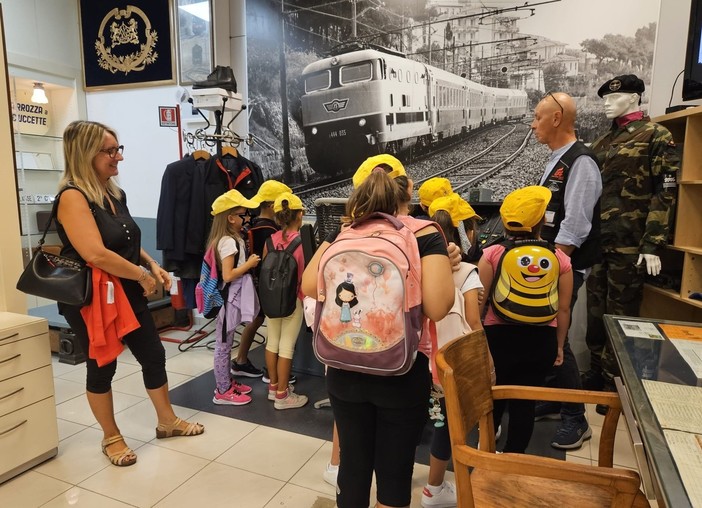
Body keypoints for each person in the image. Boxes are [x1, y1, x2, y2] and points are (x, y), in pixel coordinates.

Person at [302, 154, 454, 508]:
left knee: (353, 466)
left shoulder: (345, 230)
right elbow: (437, 306)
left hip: (342, 365)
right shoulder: (425, 232)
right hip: (400, 370)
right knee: (394, 471)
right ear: (409, 188)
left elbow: (310, 284)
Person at [55, 120, 204, 467]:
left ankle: (167, 420)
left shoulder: (113, 193)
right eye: (109, 151)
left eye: (117, 149)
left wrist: (152, 265)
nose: (117, 157)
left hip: (125, 290)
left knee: (153, 355)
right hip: (92, 298)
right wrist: (140, 275)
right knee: (101, 365)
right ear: (85, 154)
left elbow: (125, 241)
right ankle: (111, 437)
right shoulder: (72, 197)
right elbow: (96, 253)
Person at [585, 75, 678, 394]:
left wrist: (652, 243)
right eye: (605, 99)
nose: (607, 103)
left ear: (635, 98)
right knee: (595, 313)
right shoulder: (601, 143)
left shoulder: (656, 136)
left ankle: (615, 382)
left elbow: (665, 193)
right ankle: (596, 372)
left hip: (631, 243)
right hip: (600, 242)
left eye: (615, 97)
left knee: (621, 313)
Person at [530, 91, 602, 450]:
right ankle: (557, 399)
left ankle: (576, 418)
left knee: (557, 337)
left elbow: (575, 225)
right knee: (547, 336)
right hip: (555, 263)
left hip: (565, 265)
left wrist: (550, 267)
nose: (533, 125)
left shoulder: (581, 162)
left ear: (556, 119)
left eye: (538, 118)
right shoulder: (558, 160)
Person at [478, 186, 573, 454]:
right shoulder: (560, 258)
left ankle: (485, 457)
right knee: (524, 405)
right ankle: (513, 458)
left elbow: (479, 303)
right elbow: (563, 309)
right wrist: (558, 344)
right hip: (540, 340)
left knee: (492, 402)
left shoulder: (492, 254)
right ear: (542, 221)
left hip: (497, 339)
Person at [421, 193, 485, 508]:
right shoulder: (466, 272)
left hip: (418, 359)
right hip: (448, 365)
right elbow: (473, 323)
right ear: (463, 232)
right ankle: (434, 488)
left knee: (419, 419)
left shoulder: (419, 267)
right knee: (444, 425)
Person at [231, 180, 293, 380]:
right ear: (270, 205)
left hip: (256, 281)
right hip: (269, 285)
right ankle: (272, 371)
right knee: (275, 326)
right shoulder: (272, 232)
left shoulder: (253, 225)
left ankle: (240, 360)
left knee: (256, 320)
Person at [208, 189, 261, 405]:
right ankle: (222, 390)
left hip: (233, 296)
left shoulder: (232, 238)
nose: (246, 217)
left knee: (227, 341)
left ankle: (227, 382)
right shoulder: (228, 242)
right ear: (230, 218)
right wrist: (248, 265)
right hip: (229, 297)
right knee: (223, 344)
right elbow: (228, 275)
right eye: (242, 214)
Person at [262, 192, 309, 409]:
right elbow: (306, 276)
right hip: (294, 300)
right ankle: (283, 395)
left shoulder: (269, 241)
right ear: (299, 215)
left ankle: (273, 388)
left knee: (272, 342)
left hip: (271, 300)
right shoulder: (301, 243)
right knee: (287, 346)